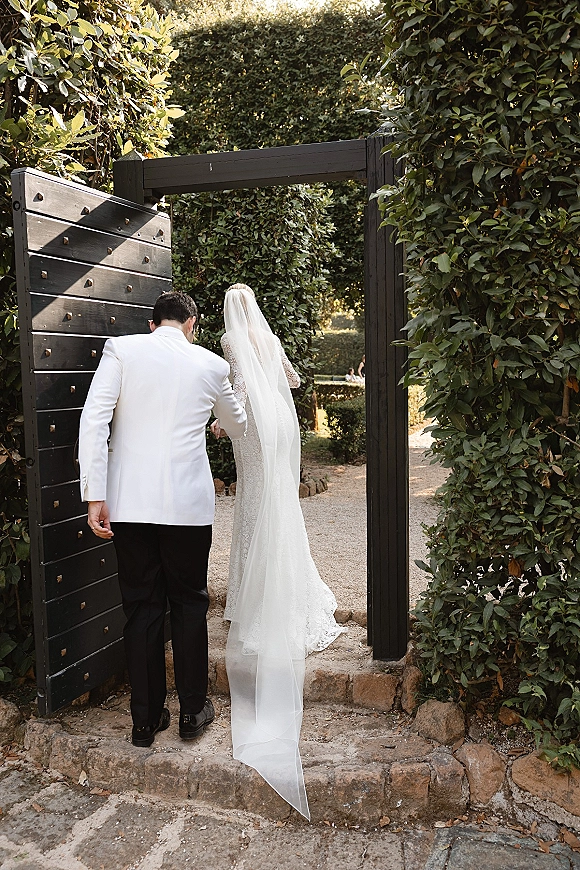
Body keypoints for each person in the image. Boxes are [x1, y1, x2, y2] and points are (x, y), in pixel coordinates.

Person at [78, 291, 246, 749]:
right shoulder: (212, 366)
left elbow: (93, 420)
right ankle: (193, 711)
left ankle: (144, 721)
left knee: (142, 606)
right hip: (188, 508)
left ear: (153, 324)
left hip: (128, 504)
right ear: (191, 323)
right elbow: (235, 423)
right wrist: (217, 423)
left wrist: (95, 494)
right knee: (190, 602)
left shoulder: (122, 349)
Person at [212, 283, 344, 820]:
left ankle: (249, 601)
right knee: (277, 506)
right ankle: (291, 592)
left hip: (252, 436)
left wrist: (223, 424)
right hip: (280, 430)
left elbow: (236, 393)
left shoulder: (230, 340)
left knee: (252, 508)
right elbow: (288, 381)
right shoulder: (269, 339)